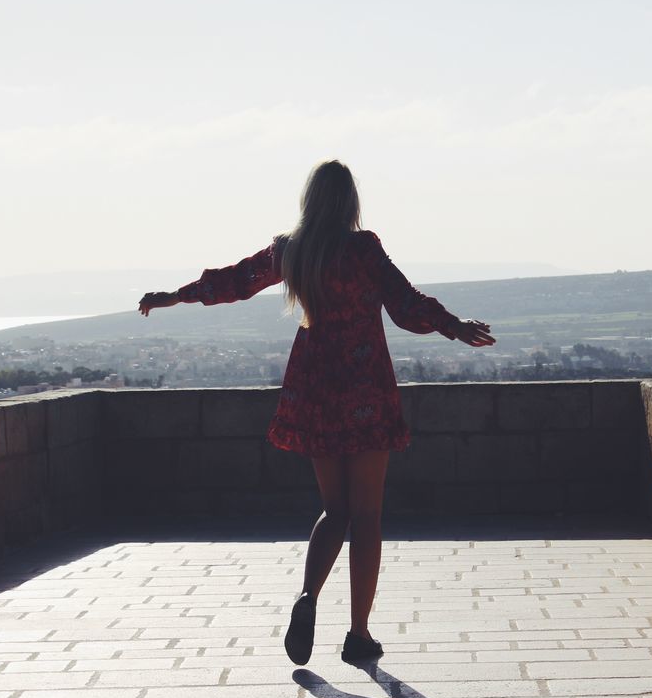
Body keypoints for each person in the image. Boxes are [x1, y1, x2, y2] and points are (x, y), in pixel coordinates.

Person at [139, 160, 495, 665]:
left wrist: (177, 295)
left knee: (335, 510)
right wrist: (454, 326)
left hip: (314, 387)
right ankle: (358, 634)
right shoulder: (363, 249)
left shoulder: (291, 250)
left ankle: (307, 598)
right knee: (367, 515)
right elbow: (405, 304)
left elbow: (237, 281)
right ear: (350, 202)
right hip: (365, 386)